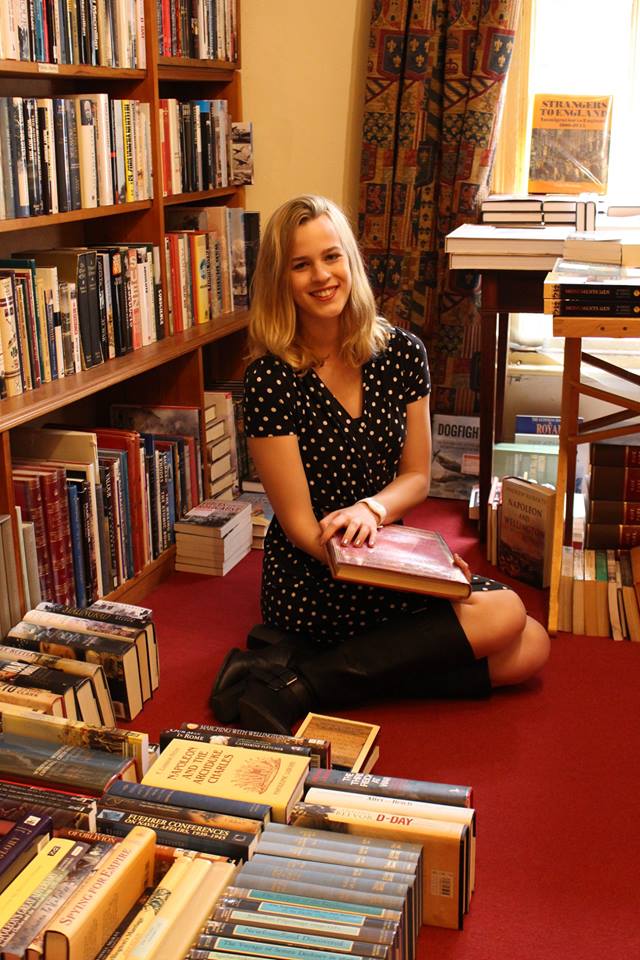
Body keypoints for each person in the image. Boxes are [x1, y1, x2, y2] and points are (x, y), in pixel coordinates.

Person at [210, 195, 550, 734]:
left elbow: (416, 478)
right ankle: (319, 678)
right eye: (301, 265)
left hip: (386, 550)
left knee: (531, 647)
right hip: (317, 570)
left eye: (332, 256)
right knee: (508, 617)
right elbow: (299, 526)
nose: (322, 276)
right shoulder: (270, 378)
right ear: (281, 279)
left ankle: (300, 681)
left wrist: (399, 537)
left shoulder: (403, 353)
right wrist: (403, 568)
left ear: (351, 259)